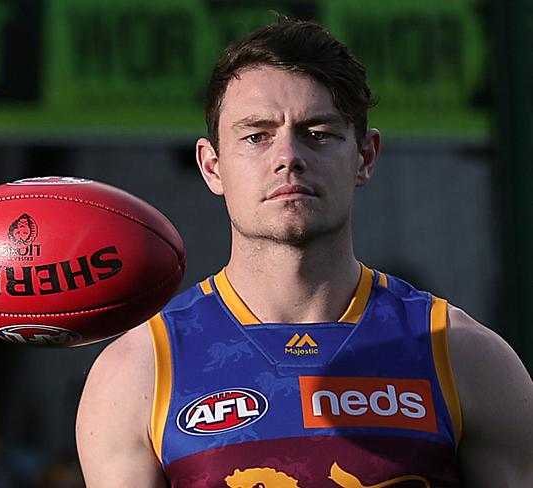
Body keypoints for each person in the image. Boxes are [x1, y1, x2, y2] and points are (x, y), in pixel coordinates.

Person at [76, 19, 533, 487]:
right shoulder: (139, 369)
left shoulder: (463, 355)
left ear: (365, 157)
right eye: (257, 135)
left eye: (317, 133)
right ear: (212, 166)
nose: (288, 155)